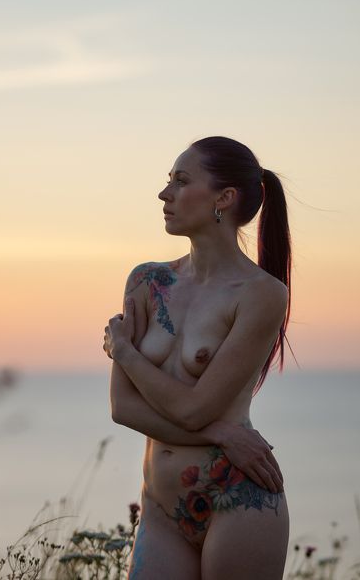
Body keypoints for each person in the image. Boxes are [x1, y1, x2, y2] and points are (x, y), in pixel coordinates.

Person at [103, 136, 293, 579]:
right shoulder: (147, 282)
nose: (164, 193)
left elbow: (194, 410)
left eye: (182, 181)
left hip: (238, 503)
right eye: (168, 180)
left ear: (224, 199)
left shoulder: (261, 295)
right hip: (160, 509)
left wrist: (125, 353)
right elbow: (122, 408)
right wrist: (225, 435)